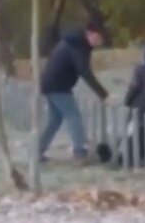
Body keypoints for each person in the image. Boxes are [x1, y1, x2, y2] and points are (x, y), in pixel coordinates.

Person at [39, 22, 110, 165]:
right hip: (57, 86)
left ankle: (37, 151)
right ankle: (80, 154)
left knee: (55, 119)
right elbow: (84, 72)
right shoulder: (78, 46)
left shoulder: (75, 42)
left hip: (51, 84)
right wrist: (103, 94)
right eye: (97, 38)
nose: (98, 42)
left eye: (100, 40)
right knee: (74, 116)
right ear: (89, 33)